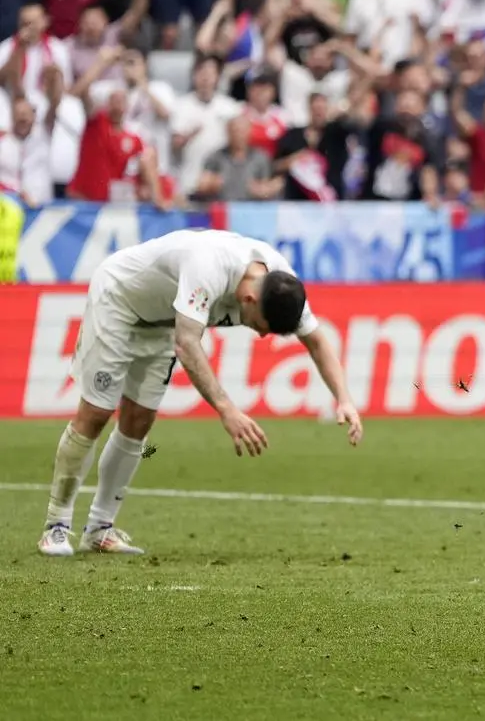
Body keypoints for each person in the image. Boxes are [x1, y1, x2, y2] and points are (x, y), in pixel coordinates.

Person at [37, 229, 365, 558]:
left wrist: (345, 399)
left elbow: (317, 341)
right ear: (250, 299)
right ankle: (56, 526)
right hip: (118, 302)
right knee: (96, 414)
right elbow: (187, 344)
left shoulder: (281, 282)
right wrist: (227, 409)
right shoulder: (207, 266)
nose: (263, 335)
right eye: (263, 326)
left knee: (139, 420)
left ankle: (99, 529)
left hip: (164, 323)